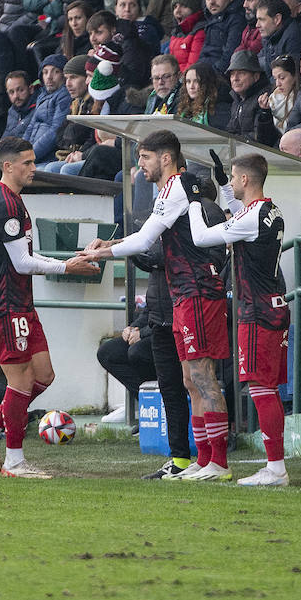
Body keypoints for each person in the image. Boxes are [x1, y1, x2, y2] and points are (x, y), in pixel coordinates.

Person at [81, 130, 232, 481]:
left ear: (166, 158)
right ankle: (203, 458)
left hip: (197, 292)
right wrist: (110, 243)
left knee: (203, 377)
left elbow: (146, 239)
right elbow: (148, 233)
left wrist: (101, 252)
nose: (140, 165)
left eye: (145, 157)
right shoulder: (175, 189)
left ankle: (218, 463)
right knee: (189, 379)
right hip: (182, 295)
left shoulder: (178, 185)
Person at [0, 138, 98, 478]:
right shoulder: (5, 204)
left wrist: (67, 262)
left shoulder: (10, 199)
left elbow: (22, 260)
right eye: (27, 163)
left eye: (34, 162)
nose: (33, 168)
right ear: (7, 166)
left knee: (44, 375)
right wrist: (67, 267)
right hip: (4, 302)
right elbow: (22, 263)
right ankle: (14, 460)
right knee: (22, 380)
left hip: (19, 301)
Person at [187, 154, 291, 487]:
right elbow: (239, 210)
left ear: (245, 179)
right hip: (269, 305)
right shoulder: (266, 209)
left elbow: (202, 238)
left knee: (261, 388)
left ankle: (275, 469)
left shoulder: (254, 216)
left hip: (257, 311)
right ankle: (275, 466)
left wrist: (191, 202)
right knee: (266, 388)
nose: (230, 183)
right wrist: (221, 184)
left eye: (232, 178)